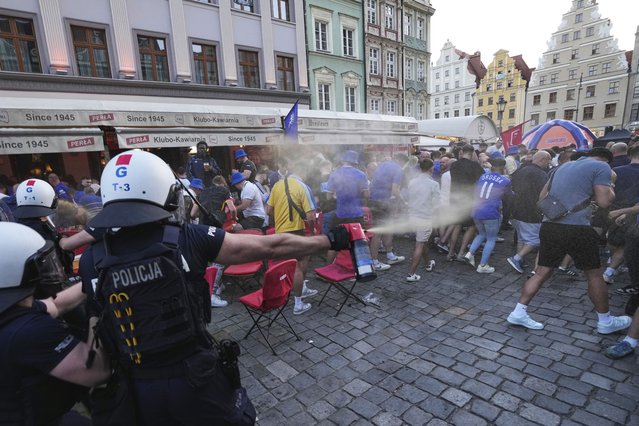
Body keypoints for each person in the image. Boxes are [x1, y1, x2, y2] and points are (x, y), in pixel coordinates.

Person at [80, 150, 350, 425]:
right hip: (194, 379)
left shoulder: (92, 260)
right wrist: (328, 240)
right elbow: (271, 245)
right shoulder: (186, 238)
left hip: (136, 389)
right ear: (168, 194)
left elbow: (97, 346)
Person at [506, 148, 631, 334]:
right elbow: (605, 201)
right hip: (579, 228)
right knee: (594, 275)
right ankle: (605, 321)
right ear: (606, 160)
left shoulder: (561, 167)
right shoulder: (601, 167)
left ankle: (519, 311)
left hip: (551, 225)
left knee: (541, 272)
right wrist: (611, 184)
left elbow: (542, 198)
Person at [0, 222, 110, 425]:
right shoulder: (31, 330)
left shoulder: (11, 310)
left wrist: (92, 283)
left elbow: (55, 305)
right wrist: (95, 313)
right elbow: (96, 370)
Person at [267, 161, 319, 315]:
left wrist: (280, 220)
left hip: (280, 232)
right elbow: (310, 215)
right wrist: (313, 230)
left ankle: (302, 288)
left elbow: (268, 210)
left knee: (297, 262)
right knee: (298, 265)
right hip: (296, 231)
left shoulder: (276, 185)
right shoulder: (302, 186)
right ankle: (298, 303)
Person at [462, 158, 512, 273]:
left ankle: (470, 253)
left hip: (476, 210)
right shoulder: (505, 180)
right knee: (491, 239)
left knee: (481, 234)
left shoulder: (482, 176)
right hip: (491, 212)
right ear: (504, 168)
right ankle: (483, 265)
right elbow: (509, 195)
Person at [506, 151, 551, 274]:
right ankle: (516, 258)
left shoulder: (520, 170)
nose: (549, 164)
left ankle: (520, 260)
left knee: (521, 237)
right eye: (548, 161)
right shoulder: (541, 174)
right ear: (543, 160)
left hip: (515, 209)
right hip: (531, 211)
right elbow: (544, 195)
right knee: (536, 240)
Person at [368, 153, 408, 270]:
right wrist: (404, 202)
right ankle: (374, 262)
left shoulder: (381, 165)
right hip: (384, 203)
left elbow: (373, 182)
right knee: (378, 232)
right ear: (402, 161)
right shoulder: (398, 169)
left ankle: (390, 255)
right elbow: (395, 190)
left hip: (375, 201)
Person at [406, 159, 440, 282]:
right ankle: (411, 274)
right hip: (425, 218)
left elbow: (408, 197)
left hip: (412, 216)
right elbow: (437, 204)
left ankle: (428, 263)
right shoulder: (434, 184)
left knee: (422, 241)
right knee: (419, 244)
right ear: (431, 169)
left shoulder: (412, 182)